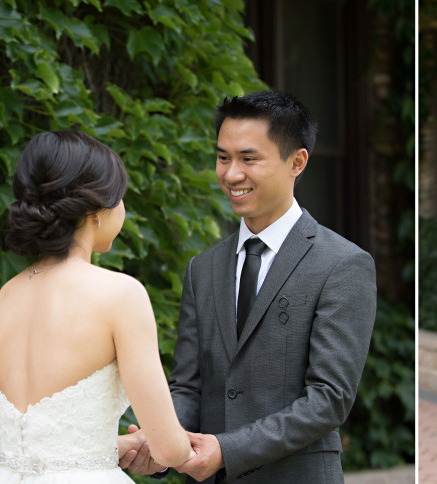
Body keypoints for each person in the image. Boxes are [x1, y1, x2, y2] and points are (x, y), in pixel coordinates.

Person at [120, 90, 377, 483]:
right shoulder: (201, 269)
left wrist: (228, 450)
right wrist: (158, 443)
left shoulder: (342, 264)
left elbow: (329, 399)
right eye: (223, 157)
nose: (231, 174)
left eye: (248, 158)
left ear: (297, 162)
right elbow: (189, 386)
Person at [0, 131, 194, 483]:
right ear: (96, 209)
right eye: (121, 197)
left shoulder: (0, 301)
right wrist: (158, 443)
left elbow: (12, 444)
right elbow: (169, 449)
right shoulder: (120, 295)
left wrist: (115, 443)